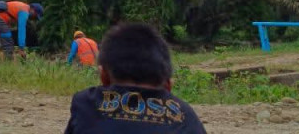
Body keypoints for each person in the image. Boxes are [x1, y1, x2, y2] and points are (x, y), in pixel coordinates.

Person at [63, 23, 207, 134]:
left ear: (103, 77)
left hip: (86, 64)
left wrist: (68, 64)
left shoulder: (85, 103)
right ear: (168, 86)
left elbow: (71, 55)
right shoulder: (187, 116)